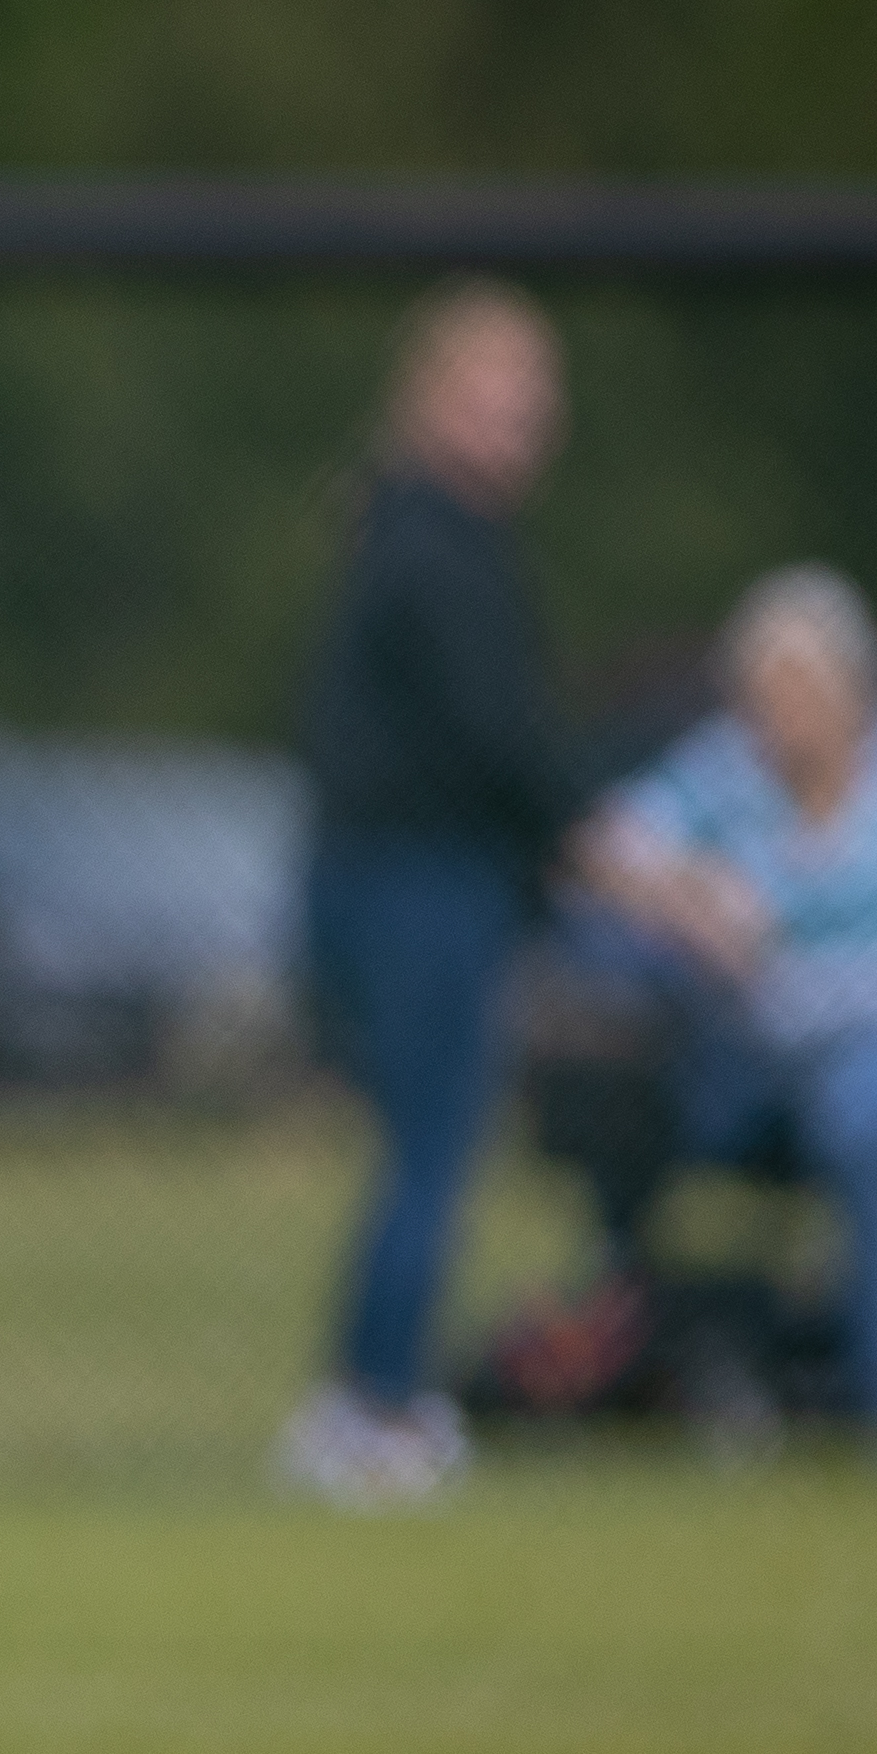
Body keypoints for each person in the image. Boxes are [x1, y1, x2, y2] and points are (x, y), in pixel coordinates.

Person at [279, 280, 588, 1508]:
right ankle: (376, 1404)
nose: (522, 421)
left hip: (410, 881)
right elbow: (500, 745)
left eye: (535, 399)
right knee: (429, 1149)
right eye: (496, 394)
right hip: (417, 886)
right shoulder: (429, 546)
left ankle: (364, 1392)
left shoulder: (428, 536)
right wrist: (608, 849)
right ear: (432, 399)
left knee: (422, 1151)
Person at [572, 566, 877, 1441]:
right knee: (619, 1095)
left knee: (869, 1110)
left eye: (796, 693)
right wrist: (690, 896)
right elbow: (602, 848)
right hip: (762, 1053)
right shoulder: (729, 773)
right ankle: (610, 1354)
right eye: (761, 697)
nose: (778, 716)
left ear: (853, 689)